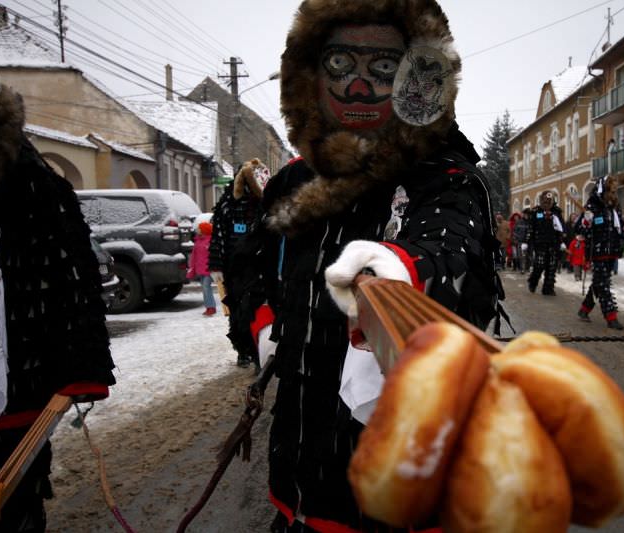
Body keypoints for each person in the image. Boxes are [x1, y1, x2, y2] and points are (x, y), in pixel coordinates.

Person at [234, 3, 504, 530]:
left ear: (417, 77)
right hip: (301, 449)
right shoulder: (293, 183)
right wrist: (264, 323)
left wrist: (394, 276)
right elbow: (250, 265)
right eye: (340, 66)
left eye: (382, 69)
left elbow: (444, 248)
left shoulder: (445, 178)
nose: (357, 88)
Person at [0, 72, 116, 531]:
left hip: (17, 385)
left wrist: (80, 370)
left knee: (14, 508)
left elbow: (73, 282)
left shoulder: (34, 185)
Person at [209, 159, 268, 368]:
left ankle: (257, 347)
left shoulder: (264, 206)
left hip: (258, 266)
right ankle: (244, 349)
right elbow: (218, 237)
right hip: (234, 269)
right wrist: (216, 266)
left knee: (256, 308)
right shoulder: (227, 207)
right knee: (237, 309)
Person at [576, 175, 624, 330]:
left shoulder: (614, 207)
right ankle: (611, 317)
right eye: (611, 190)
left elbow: (618, 228)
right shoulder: (592, 206)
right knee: (603, 285)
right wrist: (586, 221)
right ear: (603, 189)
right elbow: (579, 229)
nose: (613, 194)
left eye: (615, 191)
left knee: (599, 283)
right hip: (597, 251)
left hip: (611, 251)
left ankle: (584, 310)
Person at [526, 191, 565, 296]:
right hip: (540, 243)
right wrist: (527, 242)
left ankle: (548, 288)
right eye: (545, 201)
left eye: (549, 201)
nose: (547, 203)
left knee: (551, 266)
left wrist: (562, 241)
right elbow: (531, 228)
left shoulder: (556, 212)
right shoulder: (536, 212)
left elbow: (562, 228)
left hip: (553, 243)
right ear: (541, 201)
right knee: (539, 264)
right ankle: (532, 283)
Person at [187, 220, 216, 316]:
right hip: (201, 270)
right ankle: (209, 307)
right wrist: (192, 269)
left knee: (206, 287)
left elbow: (214, 256)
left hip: (209, 269)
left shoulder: (211, 241)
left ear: (205, 230)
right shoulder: (198, 241)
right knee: (204, 288)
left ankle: (211, 307)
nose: (197, 230)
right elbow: (194, 257)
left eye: (200, 228)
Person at [512, 208, 530, 274]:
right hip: (520, 241)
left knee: (528, 255)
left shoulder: (531, 222)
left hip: (529, 242)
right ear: (523, 214)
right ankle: (522, 269)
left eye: (528, 214)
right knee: (521, 256)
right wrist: (515, 239)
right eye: (525, 214)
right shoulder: (519, 222)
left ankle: (527, 268)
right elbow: (514, 231)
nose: (527, 216)